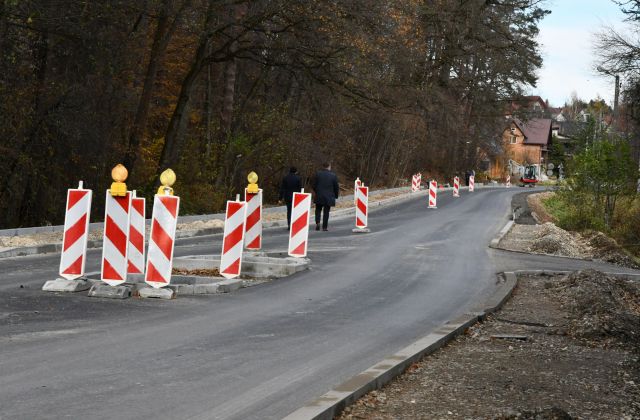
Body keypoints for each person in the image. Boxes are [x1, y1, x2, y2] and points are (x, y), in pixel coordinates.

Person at [312, 162, 339, 231]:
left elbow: (313, 185)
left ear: (323, 167)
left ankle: (317, 222)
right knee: (326, 212)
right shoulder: (333, 175)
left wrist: (317, 191)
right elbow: (336, 187)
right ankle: (324, 227)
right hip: (329, 196)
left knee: (318, 210)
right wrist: (336, 195)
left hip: (319, 195)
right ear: (329, 167)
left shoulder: (318, 174)